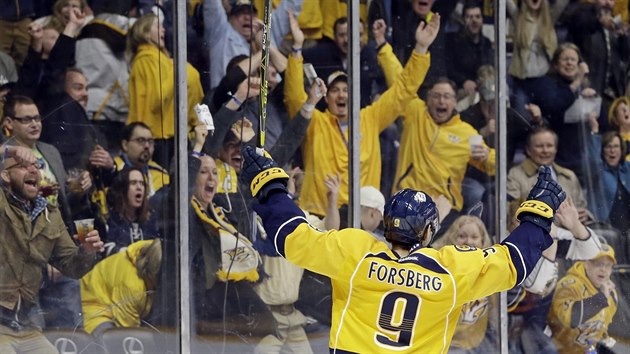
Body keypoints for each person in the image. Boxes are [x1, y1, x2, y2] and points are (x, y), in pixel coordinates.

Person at [241, 144, 566, 353]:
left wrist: (270, 186)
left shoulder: (355, 251)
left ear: (386, 222)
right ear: (427, 232)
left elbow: (293, 239)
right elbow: (514, 262)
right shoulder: (450, 268)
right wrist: (539, 210)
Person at [284, 11, 441, 217]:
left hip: (361, 218)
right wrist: (296, 49)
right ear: (326, 97)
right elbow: (294, 97)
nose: (342, 95)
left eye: (347, 90)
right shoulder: (315, 121)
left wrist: (420, 49)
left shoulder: (370, 117)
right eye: (335, 90)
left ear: (356, 96)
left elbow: (403, 90)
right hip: (319, 215)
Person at [0, 144, 104, 352]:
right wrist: (9, 151)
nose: (32, 170)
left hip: (26, 325)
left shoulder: (50, 213)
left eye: (36, 166)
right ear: (5, 176)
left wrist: (87, 250)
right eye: (22, 166)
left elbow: (71, 266)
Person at [126, 12, 203, 169]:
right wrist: (180, 69)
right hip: (157, 138)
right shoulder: (145, 60)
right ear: (145, 32)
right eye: (157, 26)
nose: (163, 30)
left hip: (175, 135)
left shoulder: (166, 62)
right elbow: (158, 99)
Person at [431, 215, 497, 354]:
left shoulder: (490, 273)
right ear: (452, 239)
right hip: (442, 346)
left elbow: (494, 318)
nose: (468, 242)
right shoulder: (438, 268)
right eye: (462, 236)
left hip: (478, 348)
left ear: (483, 241)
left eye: (474, 237)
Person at [81, 239, 162, 340]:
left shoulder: (155, 248)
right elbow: (129, 336)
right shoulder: (132, 286)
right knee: (111, 343)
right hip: (94, 307)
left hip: (124, 304)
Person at [547, 244, 618, 353]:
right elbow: (570, 319)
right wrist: (601, 298)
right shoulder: (569, 285)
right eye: (599, 264)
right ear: (587, 264)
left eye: (608, 266)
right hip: (558, 349)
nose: (603, 269)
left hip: (586, 349)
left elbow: (601, 328)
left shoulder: (611, 293)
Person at [99, 167, 160, 257]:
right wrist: (131, 254)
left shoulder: (151, 219)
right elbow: (106, 248)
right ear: (123, 189)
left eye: (142, 183)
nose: (139, 187)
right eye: (133, 183)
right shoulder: (111, 220)